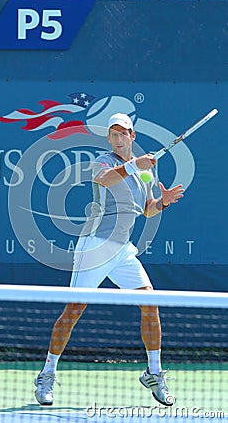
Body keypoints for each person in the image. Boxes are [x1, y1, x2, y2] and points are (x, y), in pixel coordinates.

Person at [34, 113, 184, 407]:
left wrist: (163, 202)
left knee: (150, 302)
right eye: (113, 134)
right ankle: (46, 374)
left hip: (123, 250)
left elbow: (147, 210)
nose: (118, 139)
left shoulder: (145, 172)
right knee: (74, 310)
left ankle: (153, 373)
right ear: (109, 139)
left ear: (132, 136)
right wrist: (134, 165)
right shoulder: (104, 161)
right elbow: (105, 179)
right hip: (95, 246)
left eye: (122, 134)